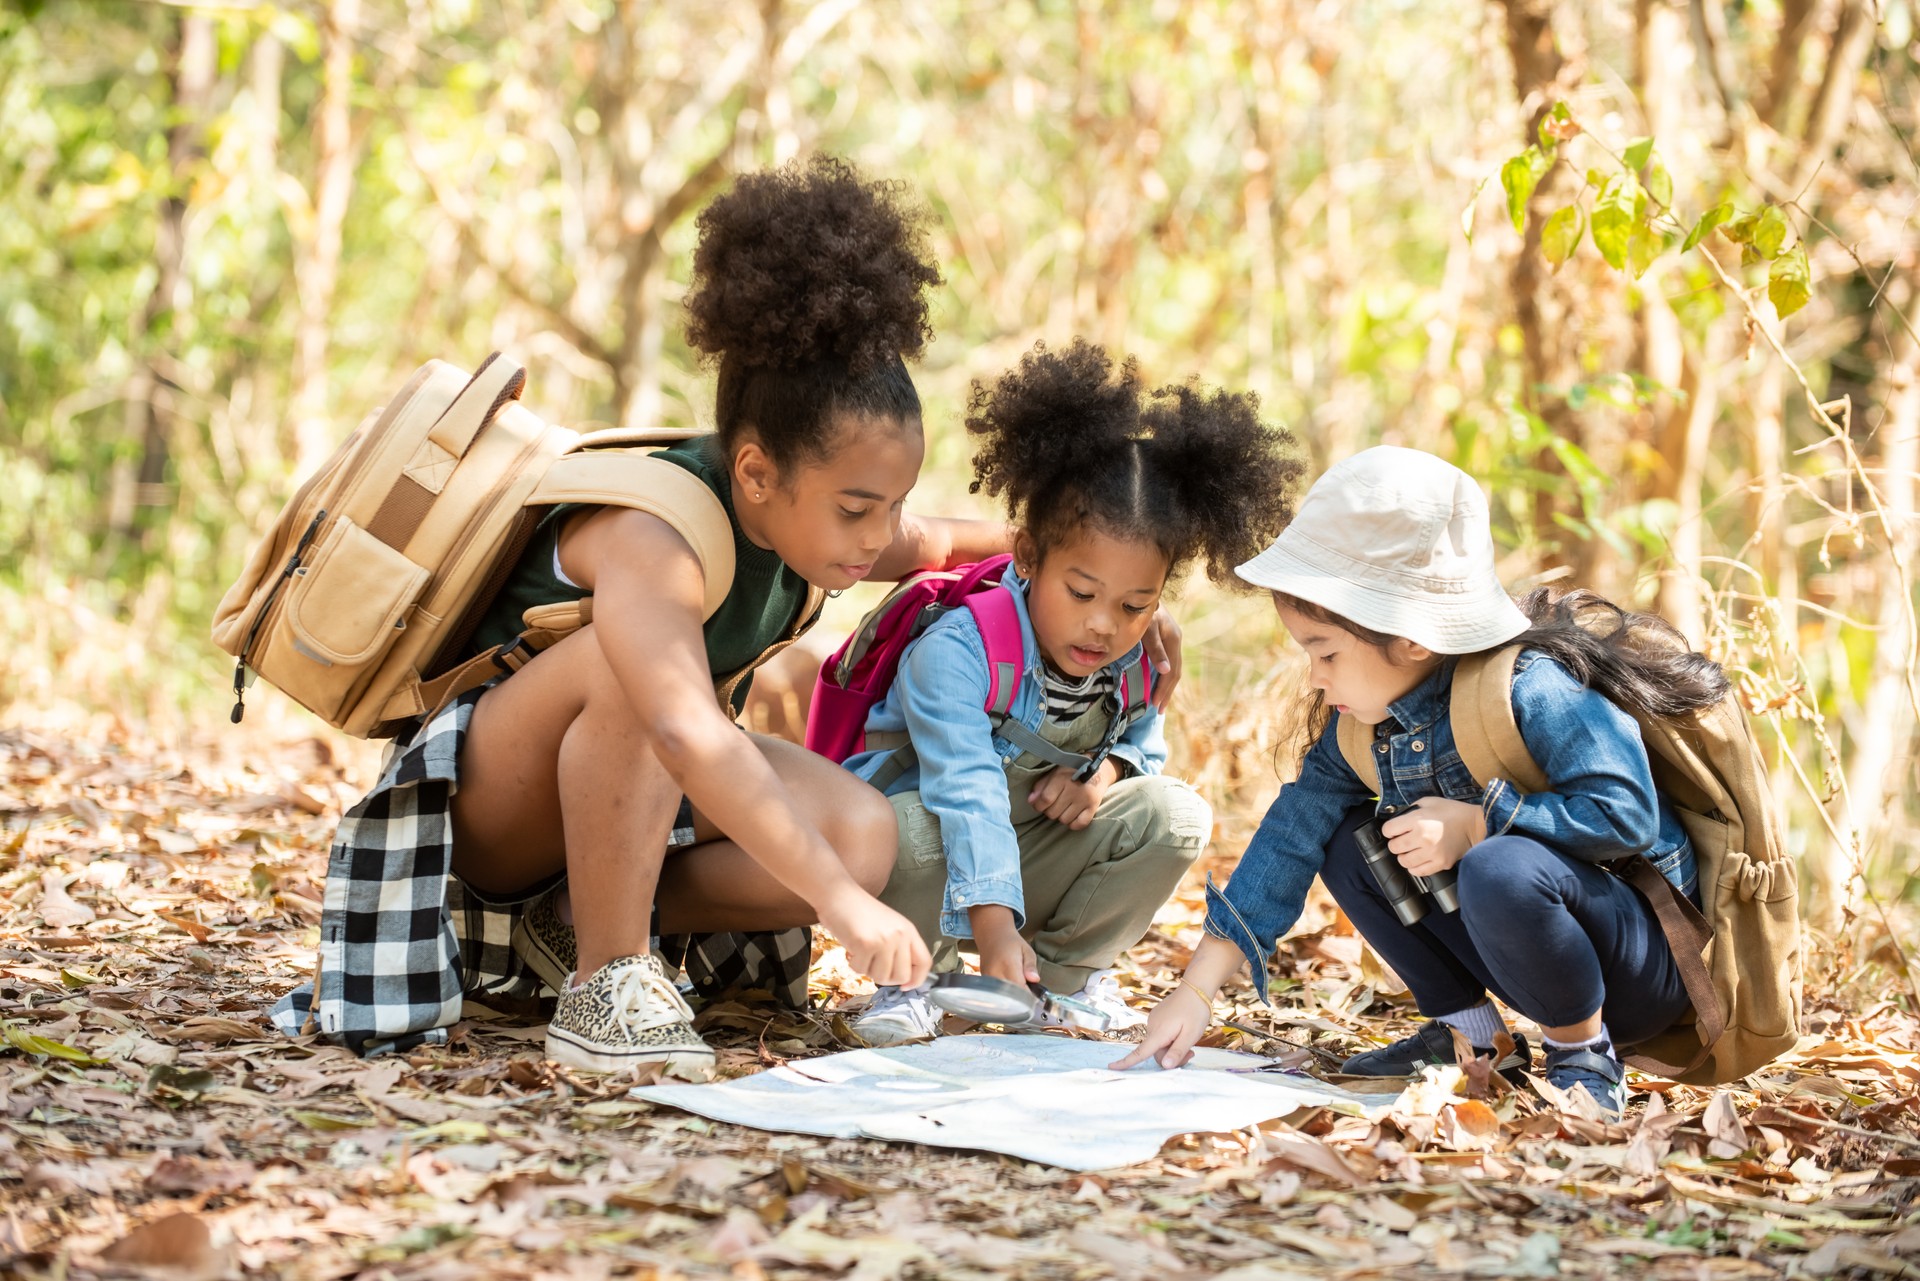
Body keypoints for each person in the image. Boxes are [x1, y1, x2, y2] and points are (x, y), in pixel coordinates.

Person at [276, 158, 998, 1072]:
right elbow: (683, 726)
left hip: (627, 798)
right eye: (857, 508)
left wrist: (1072, 568)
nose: (877, 533)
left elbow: (935, 541)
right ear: (755, 472)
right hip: (492, 814)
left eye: (888, 504)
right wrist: (839, 907)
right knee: (637, 672)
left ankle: (571, 921)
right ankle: (606, 982)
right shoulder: (653, 535)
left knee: (862, 837)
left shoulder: (817, 522)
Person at [1114, 446, 1723, 1119]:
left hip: (1634, 967)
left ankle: (1581, 1053)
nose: (1315, 675)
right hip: (1521, 949)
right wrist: (1196, 989)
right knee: (1344, 837)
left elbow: (1627, 813)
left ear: (1411, 637)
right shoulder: (1363, 730)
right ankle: (1475, 1038)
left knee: (1500, 864)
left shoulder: (1533, 689)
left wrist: (1482, 824)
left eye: (1326, 651)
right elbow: (1288, 837)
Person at [848, 340, 1302, 1046]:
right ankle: (918, 978)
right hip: (926, 850)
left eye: (1133, 603)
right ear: (1028, 556)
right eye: (1082, 592)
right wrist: (993, 929)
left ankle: (1056, 984)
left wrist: (1106, 775)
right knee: (900, 829)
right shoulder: (959, 650)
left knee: (1175, 812)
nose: (1103, 623)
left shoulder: (1137, 654)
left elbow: (1142, 746)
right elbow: (965, 790)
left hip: (1031, 848)